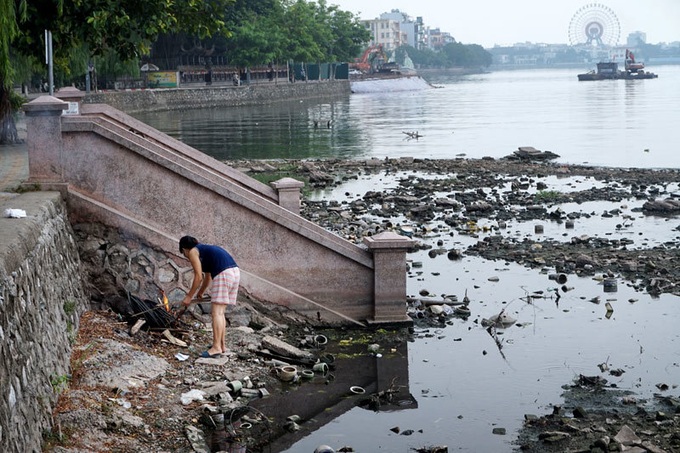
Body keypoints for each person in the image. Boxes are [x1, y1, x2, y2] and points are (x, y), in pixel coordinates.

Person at [179, 235, 240, 358]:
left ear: (184, 249)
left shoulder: (193, 251)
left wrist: (188, 297)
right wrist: (200, 292)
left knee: (216, 313)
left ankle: (216, 347)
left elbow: (198, 277)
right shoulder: (204, 251)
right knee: (221, 312)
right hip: (234, 272)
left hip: (223, 273)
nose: (186, 256)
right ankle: (222, 346)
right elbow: (206, 278)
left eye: (183, 253)